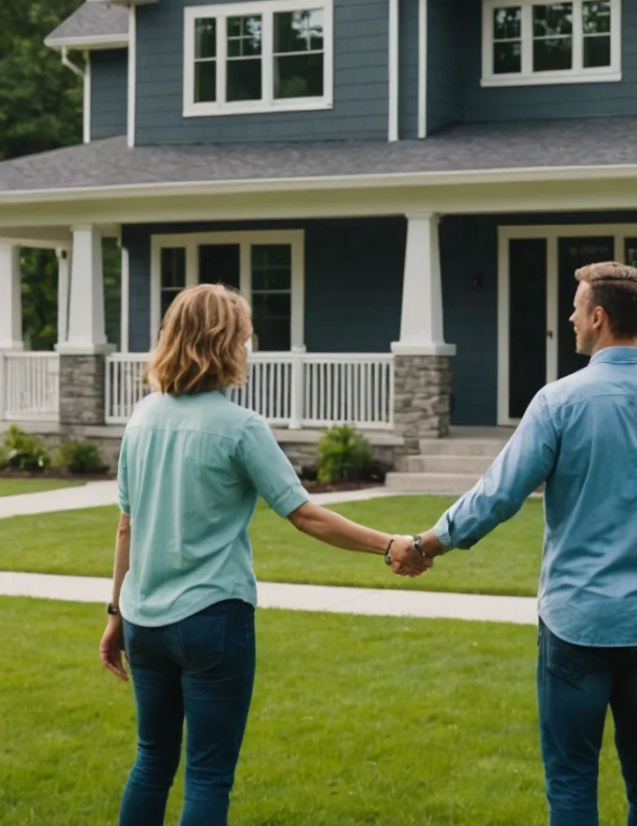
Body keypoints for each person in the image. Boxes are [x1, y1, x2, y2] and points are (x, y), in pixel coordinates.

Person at [98, 282, 429, 826]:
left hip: (143, 622)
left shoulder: (141, 418)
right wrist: (389, 545)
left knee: (152, 761)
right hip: (212, 621)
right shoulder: (240, 427)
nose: (249, 346)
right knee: (207, 777)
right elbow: (304, 514)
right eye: (245, 337)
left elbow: (125, 526)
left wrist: (115, 614)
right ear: (225, 343)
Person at [404, 261, 637, 826]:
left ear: (598, 318)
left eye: (575, 308)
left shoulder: (559, 402)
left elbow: (497, 496)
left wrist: (426, 544)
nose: (569, 317)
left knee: (572, 778)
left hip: (579, 622)